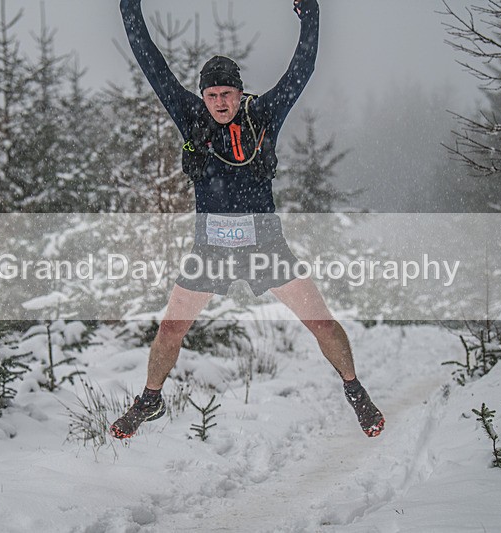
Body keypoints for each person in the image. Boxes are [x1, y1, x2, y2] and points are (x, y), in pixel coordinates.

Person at [111, 0, 384, 440]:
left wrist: (310, 12)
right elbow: (150, 60)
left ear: (240, 94)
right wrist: (130, 7)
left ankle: (354, 390)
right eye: (212, 95)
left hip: (265, 247)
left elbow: (304, 67)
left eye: (227, 95)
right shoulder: (192, 117)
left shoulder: (263, 117)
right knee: (170, 328)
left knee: (322, 323)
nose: (220, 103)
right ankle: (150, 399)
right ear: (203, 97)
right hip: (211, 249)